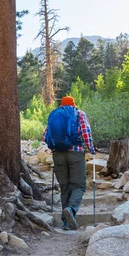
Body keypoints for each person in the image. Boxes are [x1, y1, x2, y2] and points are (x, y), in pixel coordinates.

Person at [43, 96, 95, 230]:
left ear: (61, 105)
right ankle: (71, 209)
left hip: (57, 154)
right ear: (74, 104)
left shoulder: (56, 115)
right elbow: (85, 132)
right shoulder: (79, 114)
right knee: (79, 185)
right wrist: (91, 149)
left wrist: (56, 146)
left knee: (64, 187)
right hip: (75, 153)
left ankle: (66, 222)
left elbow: (45, 135)